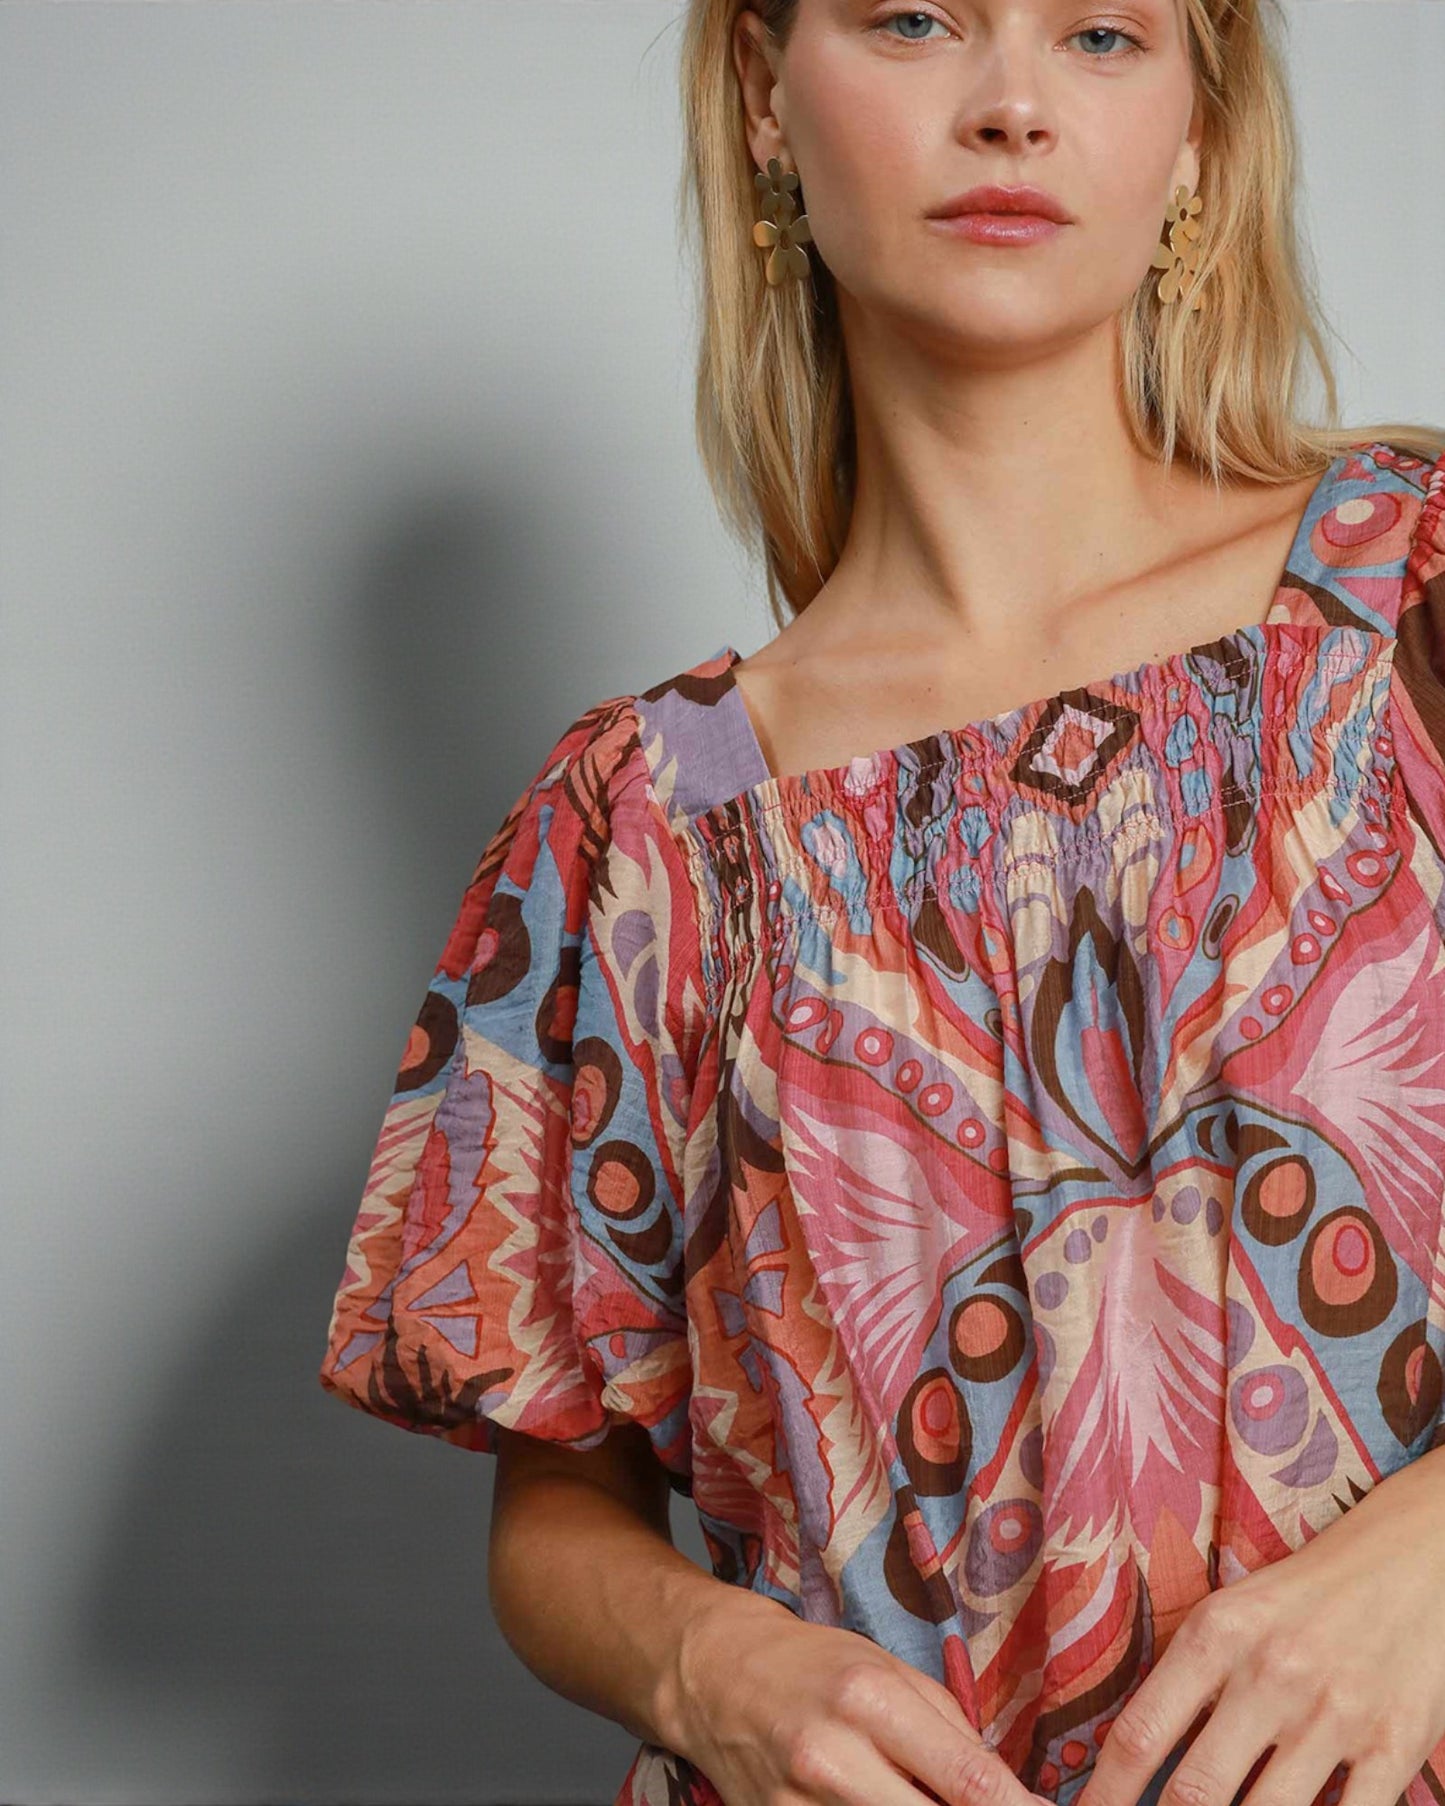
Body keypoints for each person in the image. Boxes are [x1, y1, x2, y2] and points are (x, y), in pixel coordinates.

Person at [317, 1, 1445, 1803]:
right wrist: (709, 1663)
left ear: (1199, 135)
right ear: (763, 95)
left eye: (1097, 34)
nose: (1007, 106)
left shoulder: (1409, 601)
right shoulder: (641, 826)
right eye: (912, 19)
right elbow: (554, 1496)